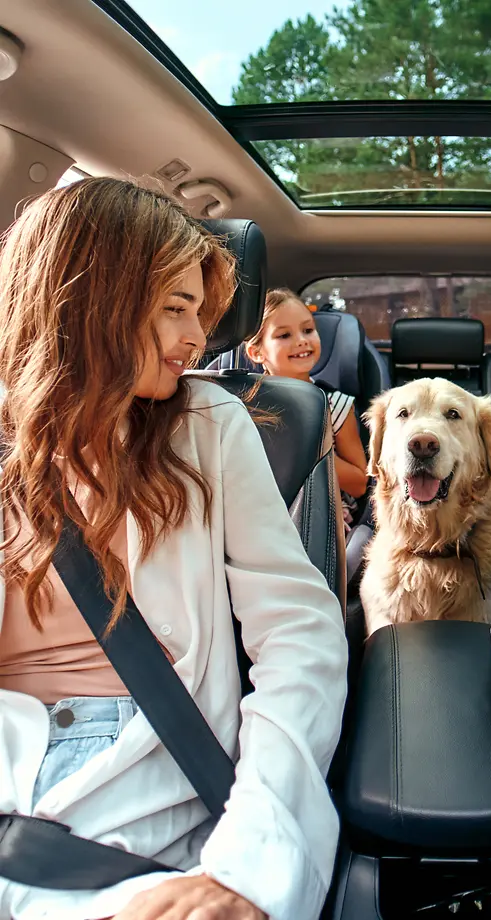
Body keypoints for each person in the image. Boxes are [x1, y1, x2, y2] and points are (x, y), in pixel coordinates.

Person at [0, 178, 347, 920]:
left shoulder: (207, 425)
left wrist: (250, 858)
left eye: (202, 312)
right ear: (89, 299)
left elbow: (299, 637)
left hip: (144, 773)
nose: (198, 340)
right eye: (175, 309)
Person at [241, 289, 368, 529]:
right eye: (284, 335)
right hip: (257, 511)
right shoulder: (245, 406)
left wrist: (306, 450)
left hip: (320, 515)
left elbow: (359, 484)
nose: (301, 340)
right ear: (256, 352)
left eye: (308, 330)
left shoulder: (336, 406)